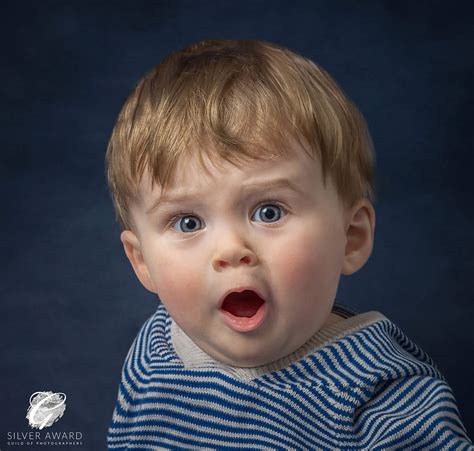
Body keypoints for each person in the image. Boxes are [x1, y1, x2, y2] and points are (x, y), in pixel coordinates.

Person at [106, 39, 472, 449]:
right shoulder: (157, 350)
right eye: (188, 222)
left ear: (351, 238)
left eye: (269, 212)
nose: (230, 249)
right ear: (142, 261)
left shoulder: (384, 399)